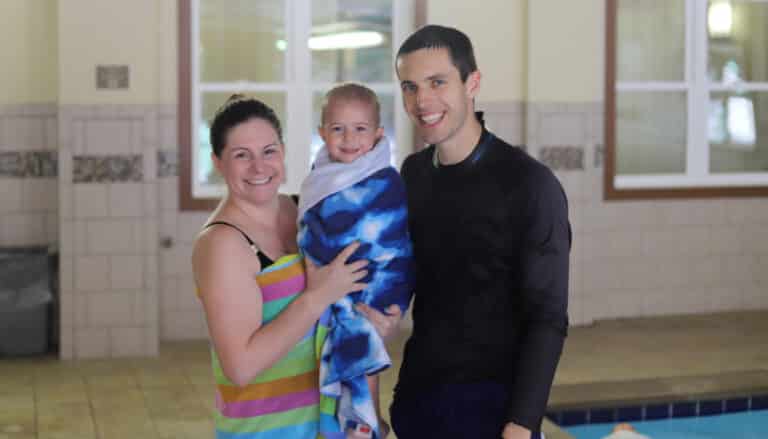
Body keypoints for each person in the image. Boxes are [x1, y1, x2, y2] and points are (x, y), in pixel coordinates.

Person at [390, 25, 571, 439]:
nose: (423, 101)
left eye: (438, 82)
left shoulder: (529, 184)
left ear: (472, 82)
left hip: (496, 412)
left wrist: (522, 424)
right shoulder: (413, 175)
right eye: (410, 87)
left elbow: (548, 317)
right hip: (420, 403)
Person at [191, 95, 401, 439]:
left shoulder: (301, 209)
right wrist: (318, 297)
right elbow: (240, 367)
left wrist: (375, 323)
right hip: (266, 430)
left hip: (329, 424)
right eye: (242, 155)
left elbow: (340, 305)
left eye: (269, 151)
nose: (259, 167)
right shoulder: (222, 244)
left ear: (284, 151)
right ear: (217, 161)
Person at [297, 83, 414, 439]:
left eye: (360, 129)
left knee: (363, 337)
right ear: (322, 133)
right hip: (337, 284)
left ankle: (366, 421)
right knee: (351, 343)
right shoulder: (320, 177)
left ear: (379, 134)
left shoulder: (386, 181)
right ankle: (359, 421)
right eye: (338, 129)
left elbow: (392, 235)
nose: (349, 138)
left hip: (376, 280)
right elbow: (313, 226)